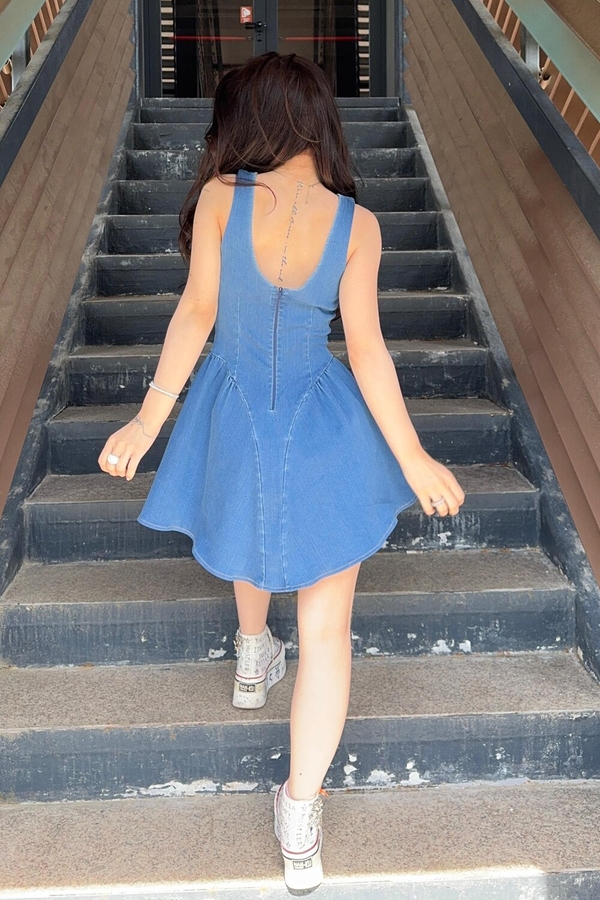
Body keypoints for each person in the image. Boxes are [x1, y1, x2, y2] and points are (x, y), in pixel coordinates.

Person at [98, 51, 465, 894]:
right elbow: (368, 353)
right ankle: (300, 819)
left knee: (247, 521)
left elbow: (197, 312)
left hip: (232, 411)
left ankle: (252, 653)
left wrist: (149, 419)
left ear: (247, 120)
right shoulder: (358, 224)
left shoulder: (222, 200)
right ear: (317, 122)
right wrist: (411, 455)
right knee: (328, 634)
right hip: (324, 424)